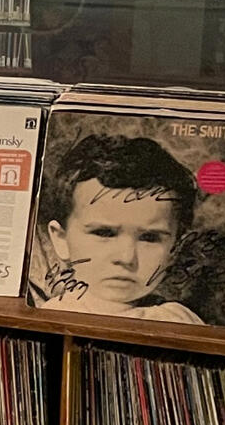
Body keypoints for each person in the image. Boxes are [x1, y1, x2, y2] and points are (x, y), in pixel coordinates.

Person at [33, 133, 204, 323]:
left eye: (149, 238)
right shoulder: (54, 315)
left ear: (175, 249)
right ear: (61, 239)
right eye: (104, 233)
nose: (126, 258)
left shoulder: (180, 321)